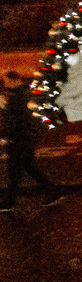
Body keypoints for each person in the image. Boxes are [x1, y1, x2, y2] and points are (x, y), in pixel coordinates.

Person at [0, 71, 49, 209]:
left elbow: (16, 119)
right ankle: (52, 191)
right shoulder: (21, 94)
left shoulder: (19, 96)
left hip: (19, 139)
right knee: (26, 168)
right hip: (22, 138)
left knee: (15, 170)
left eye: (6, 81)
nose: (5, 84)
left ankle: (9, 201)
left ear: (14, 80)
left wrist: (5, 134)